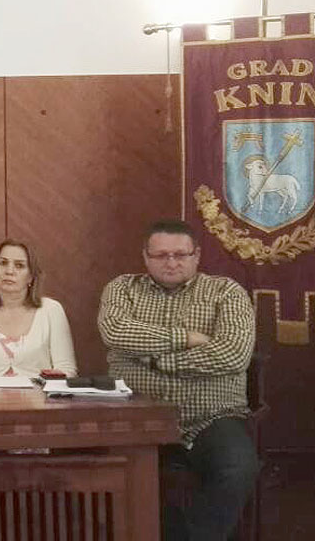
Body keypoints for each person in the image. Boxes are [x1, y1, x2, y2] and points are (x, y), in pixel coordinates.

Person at [98, 219, 257, 541]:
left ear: (196, 255)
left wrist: (156, 358)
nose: (171, 262)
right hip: (136, 419)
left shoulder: (226, 292)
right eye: (161, 255)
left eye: (180, 254)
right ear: (145, 257)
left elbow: (233, 354)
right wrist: (186, 338)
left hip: (211, 417)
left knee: (238, 468)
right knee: (109, 473)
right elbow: (115, 331)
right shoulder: (122, 288)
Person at [0, 239, 77, 378]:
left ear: (31, 277)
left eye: (19, 266)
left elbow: (67, 369)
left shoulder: (51, 310)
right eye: (3, 263)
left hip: (40, 390)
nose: (9, 271)